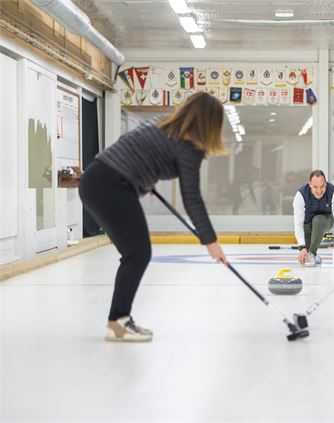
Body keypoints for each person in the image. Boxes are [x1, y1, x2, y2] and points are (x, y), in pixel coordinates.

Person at [79, 92, 228, 342]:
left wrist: (144, 177)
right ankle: (118, 323)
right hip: (112, 185)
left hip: (95, 177)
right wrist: (210, 241)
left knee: (134, 253)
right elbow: (192, 199)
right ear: (210, 124)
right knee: (137, 253)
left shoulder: (161, 122)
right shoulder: (189, 147)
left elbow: (134, 146)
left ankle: (120, 320)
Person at [293, 170, 334, 267]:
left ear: (326, 183)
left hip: (326, 220)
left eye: (322, 186)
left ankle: (312, 254)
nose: (319, 191)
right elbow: (298, 223)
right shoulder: (300, 195)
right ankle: (313, 255)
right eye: (315, 187)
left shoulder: (333, 192)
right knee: (305, 254)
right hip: (307, 226)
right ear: (310, 185)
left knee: (318, 220)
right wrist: (302, 247)